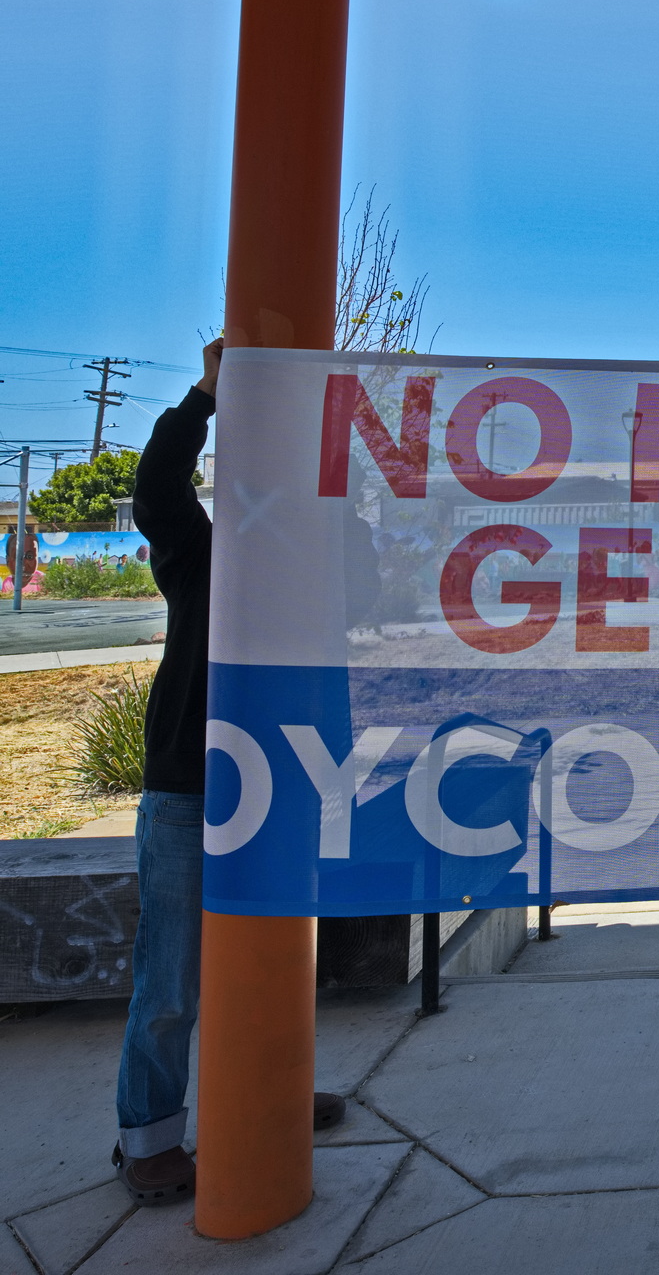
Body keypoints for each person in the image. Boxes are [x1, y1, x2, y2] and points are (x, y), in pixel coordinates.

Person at [113, 339, 346, 1205]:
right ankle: (147, 1139)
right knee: (171, 979)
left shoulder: (306, 573)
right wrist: (204, 397)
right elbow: (156, 488)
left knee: (274, 959)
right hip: (189, 790)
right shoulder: (198, 553)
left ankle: (266, 1093)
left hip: (279, 788)